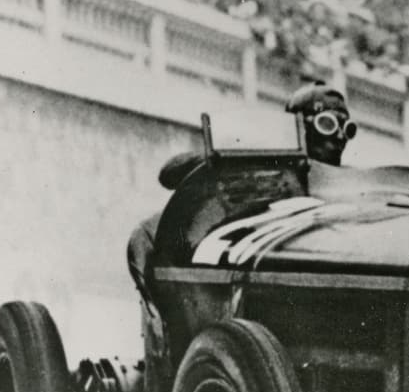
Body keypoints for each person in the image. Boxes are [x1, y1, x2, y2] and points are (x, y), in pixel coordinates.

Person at [126, 84, 356, 302]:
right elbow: (169, 173)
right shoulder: (267, 165)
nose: (338, 137)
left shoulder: (349, 183)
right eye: (327, 124)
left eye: (347, 129)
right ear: (298, 126)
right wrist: (228, 158)